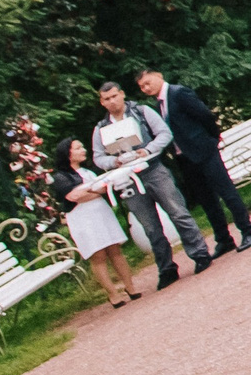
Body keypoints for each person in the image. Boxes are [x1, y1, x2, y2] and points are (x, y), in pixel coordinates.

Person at [90, 80, 213, 286]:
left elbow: (165, 133)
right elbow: (98, 156)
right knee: (150, 227)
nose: (112, 101)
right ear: (102, 102)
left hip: (153, 169)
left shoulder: (141, 112)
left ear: (122, 94)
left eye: (114, 96)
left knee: (178, 213)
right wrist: (114, 162)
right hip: (128, 179)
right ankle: (166, 268)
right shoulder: (101, 128)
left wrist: (148, 149)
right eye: (107, 99)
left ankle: (200, 253)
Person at [137, 69, 251, 254]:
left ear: (159, 76)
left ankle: (248, 231)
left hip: (204, 150)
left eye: (148, 82)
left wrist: (212, 139)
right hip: (185, 158)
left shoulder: (178, 93)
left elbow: (205, 115)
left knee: (226, 191)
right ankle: (224, 239)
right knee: (207, 200)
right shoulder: (158, 104)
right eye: (142, 86)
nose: (146, 88)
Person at [53, 138, 141, 308]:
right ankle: (113, 294)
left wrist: (90, 191)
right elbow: (73, 196)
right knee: (98, 255)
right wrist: (94, 190)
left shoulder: (89, 172)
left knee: (115, 250)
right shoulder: (61, 177)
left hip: (101, 212)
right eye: (78, 148)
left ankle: (130, 286)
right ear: (67, 154)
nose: (83, 150)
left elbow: (105, 188)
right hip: (82, 218)